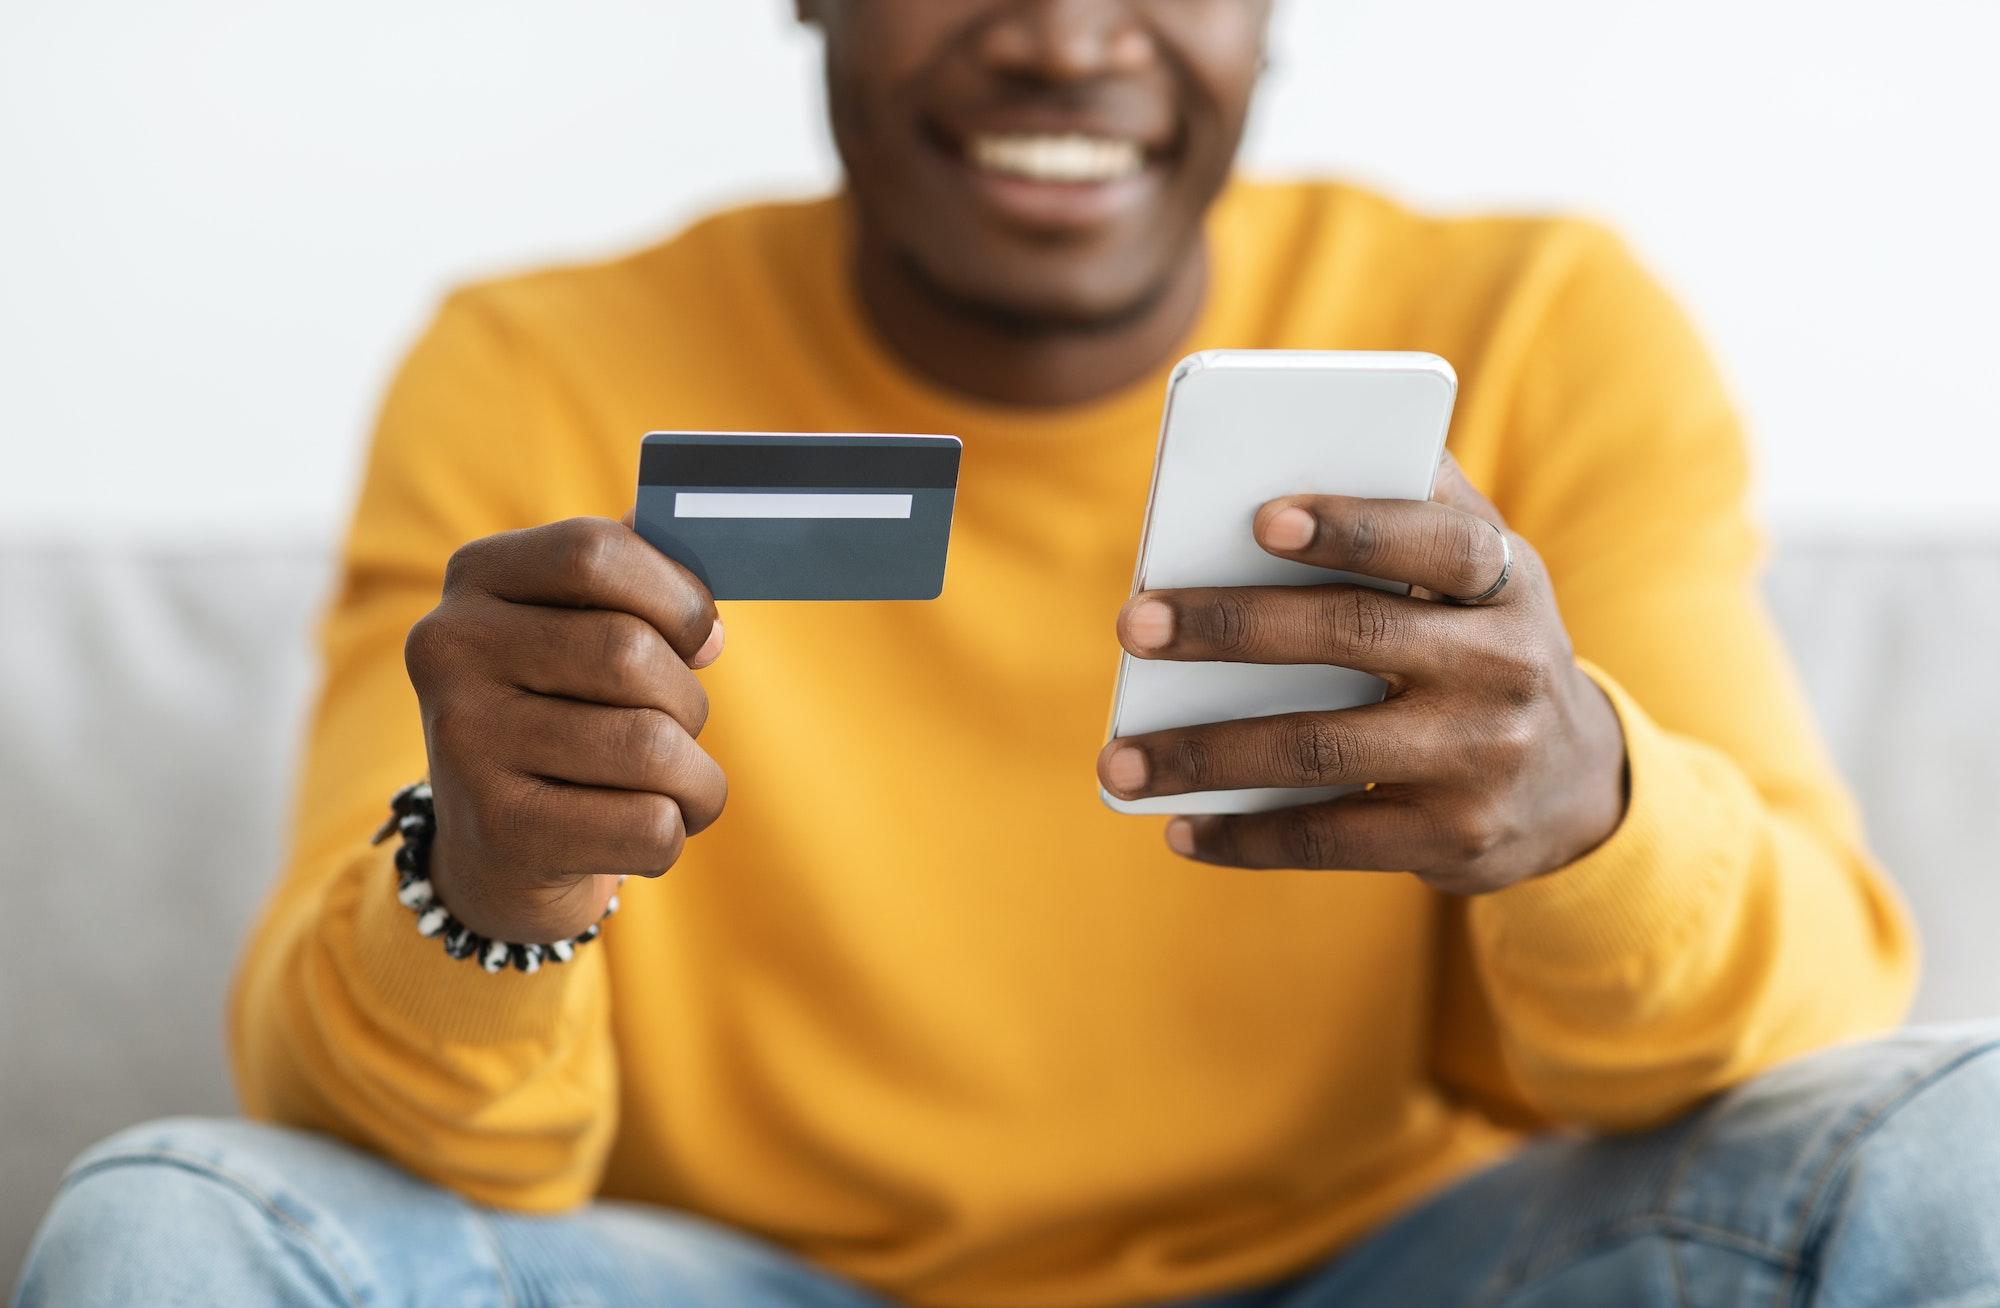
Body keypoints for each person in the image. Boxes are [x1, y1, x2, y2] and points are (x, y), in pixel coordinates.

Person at [17, 3, 2000, 1306]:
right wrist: (490, 885)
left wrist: (1591, 814)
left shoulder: (1539, 321)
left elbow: (1792, 1027)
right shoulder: (532, 371)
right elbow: (417, 1151)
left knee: (1965, 1131)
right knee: (166, 1225)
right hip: (740, 1280)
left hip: (1385, 1273)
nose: (1062, 36)